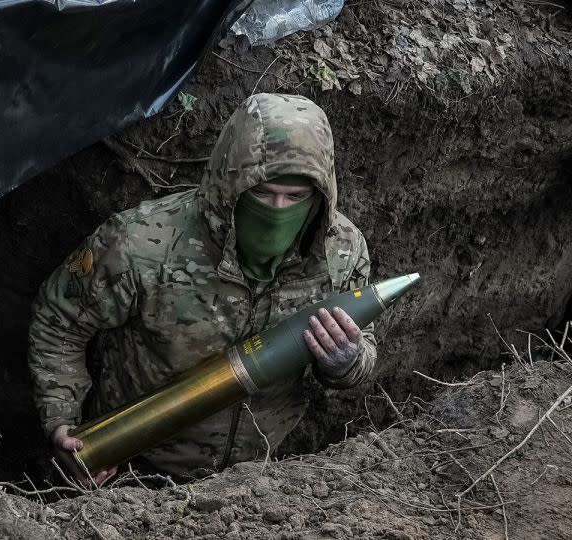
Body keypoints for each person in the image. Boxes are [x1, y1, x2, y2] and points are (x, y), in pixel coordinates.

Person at [27, 93, 375, 485]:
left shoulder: (340, 251)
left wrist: (345, 362)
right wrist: (62, 420)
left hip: (259, 484)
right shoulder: (141, 243)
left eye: (295, 197)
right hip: (131, 475)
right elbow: (59, 321)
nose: (278, 210)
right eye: (262, 193)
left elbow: (363, 344)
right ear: (231, 183)